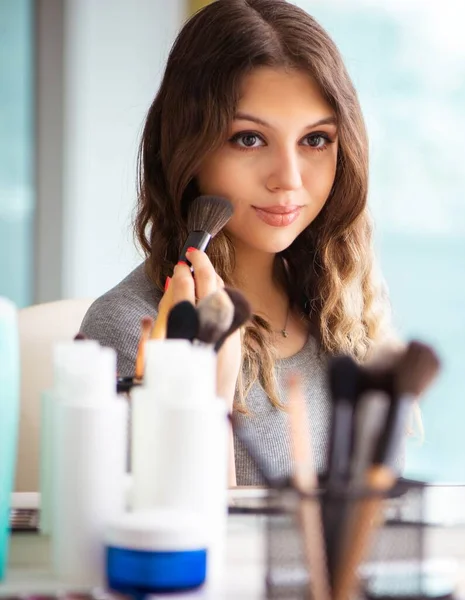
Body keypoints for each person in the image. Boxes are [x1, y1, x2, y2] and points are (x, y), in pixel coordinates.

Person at [80, 0, 397, 486]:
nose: (288, 180)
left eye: (315, 140)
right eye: (249, 139)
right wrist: (207, 392)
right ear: (186, 150)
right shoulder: (132, 332)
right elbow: (189, 549)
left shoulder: (342, 302)